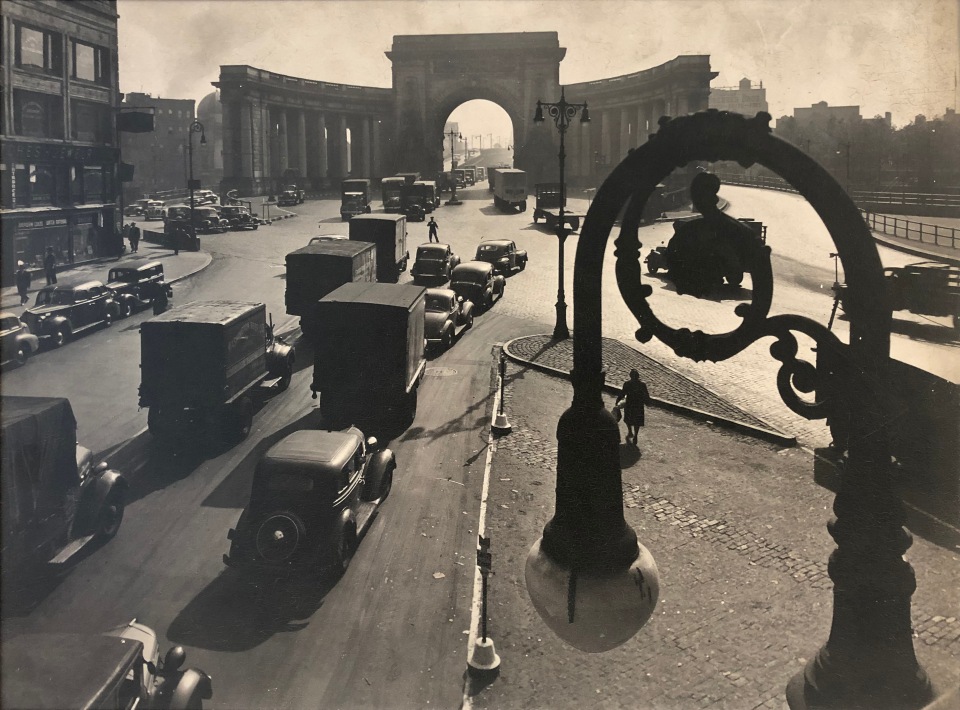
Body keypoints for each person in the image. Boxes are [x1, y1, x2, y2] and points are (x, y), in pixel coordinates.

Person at [615, 369, 650, 449]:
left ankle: (630, 431)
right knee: (637, 421)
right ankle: (636, 435)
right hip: (638, 405)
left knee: (628, 419)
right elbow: (646, 395)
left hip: (630, 405)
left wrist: (617, 402)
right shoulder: (642, 385)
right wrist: (647, 402)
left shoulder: (627, 384)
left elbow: (622, 394)